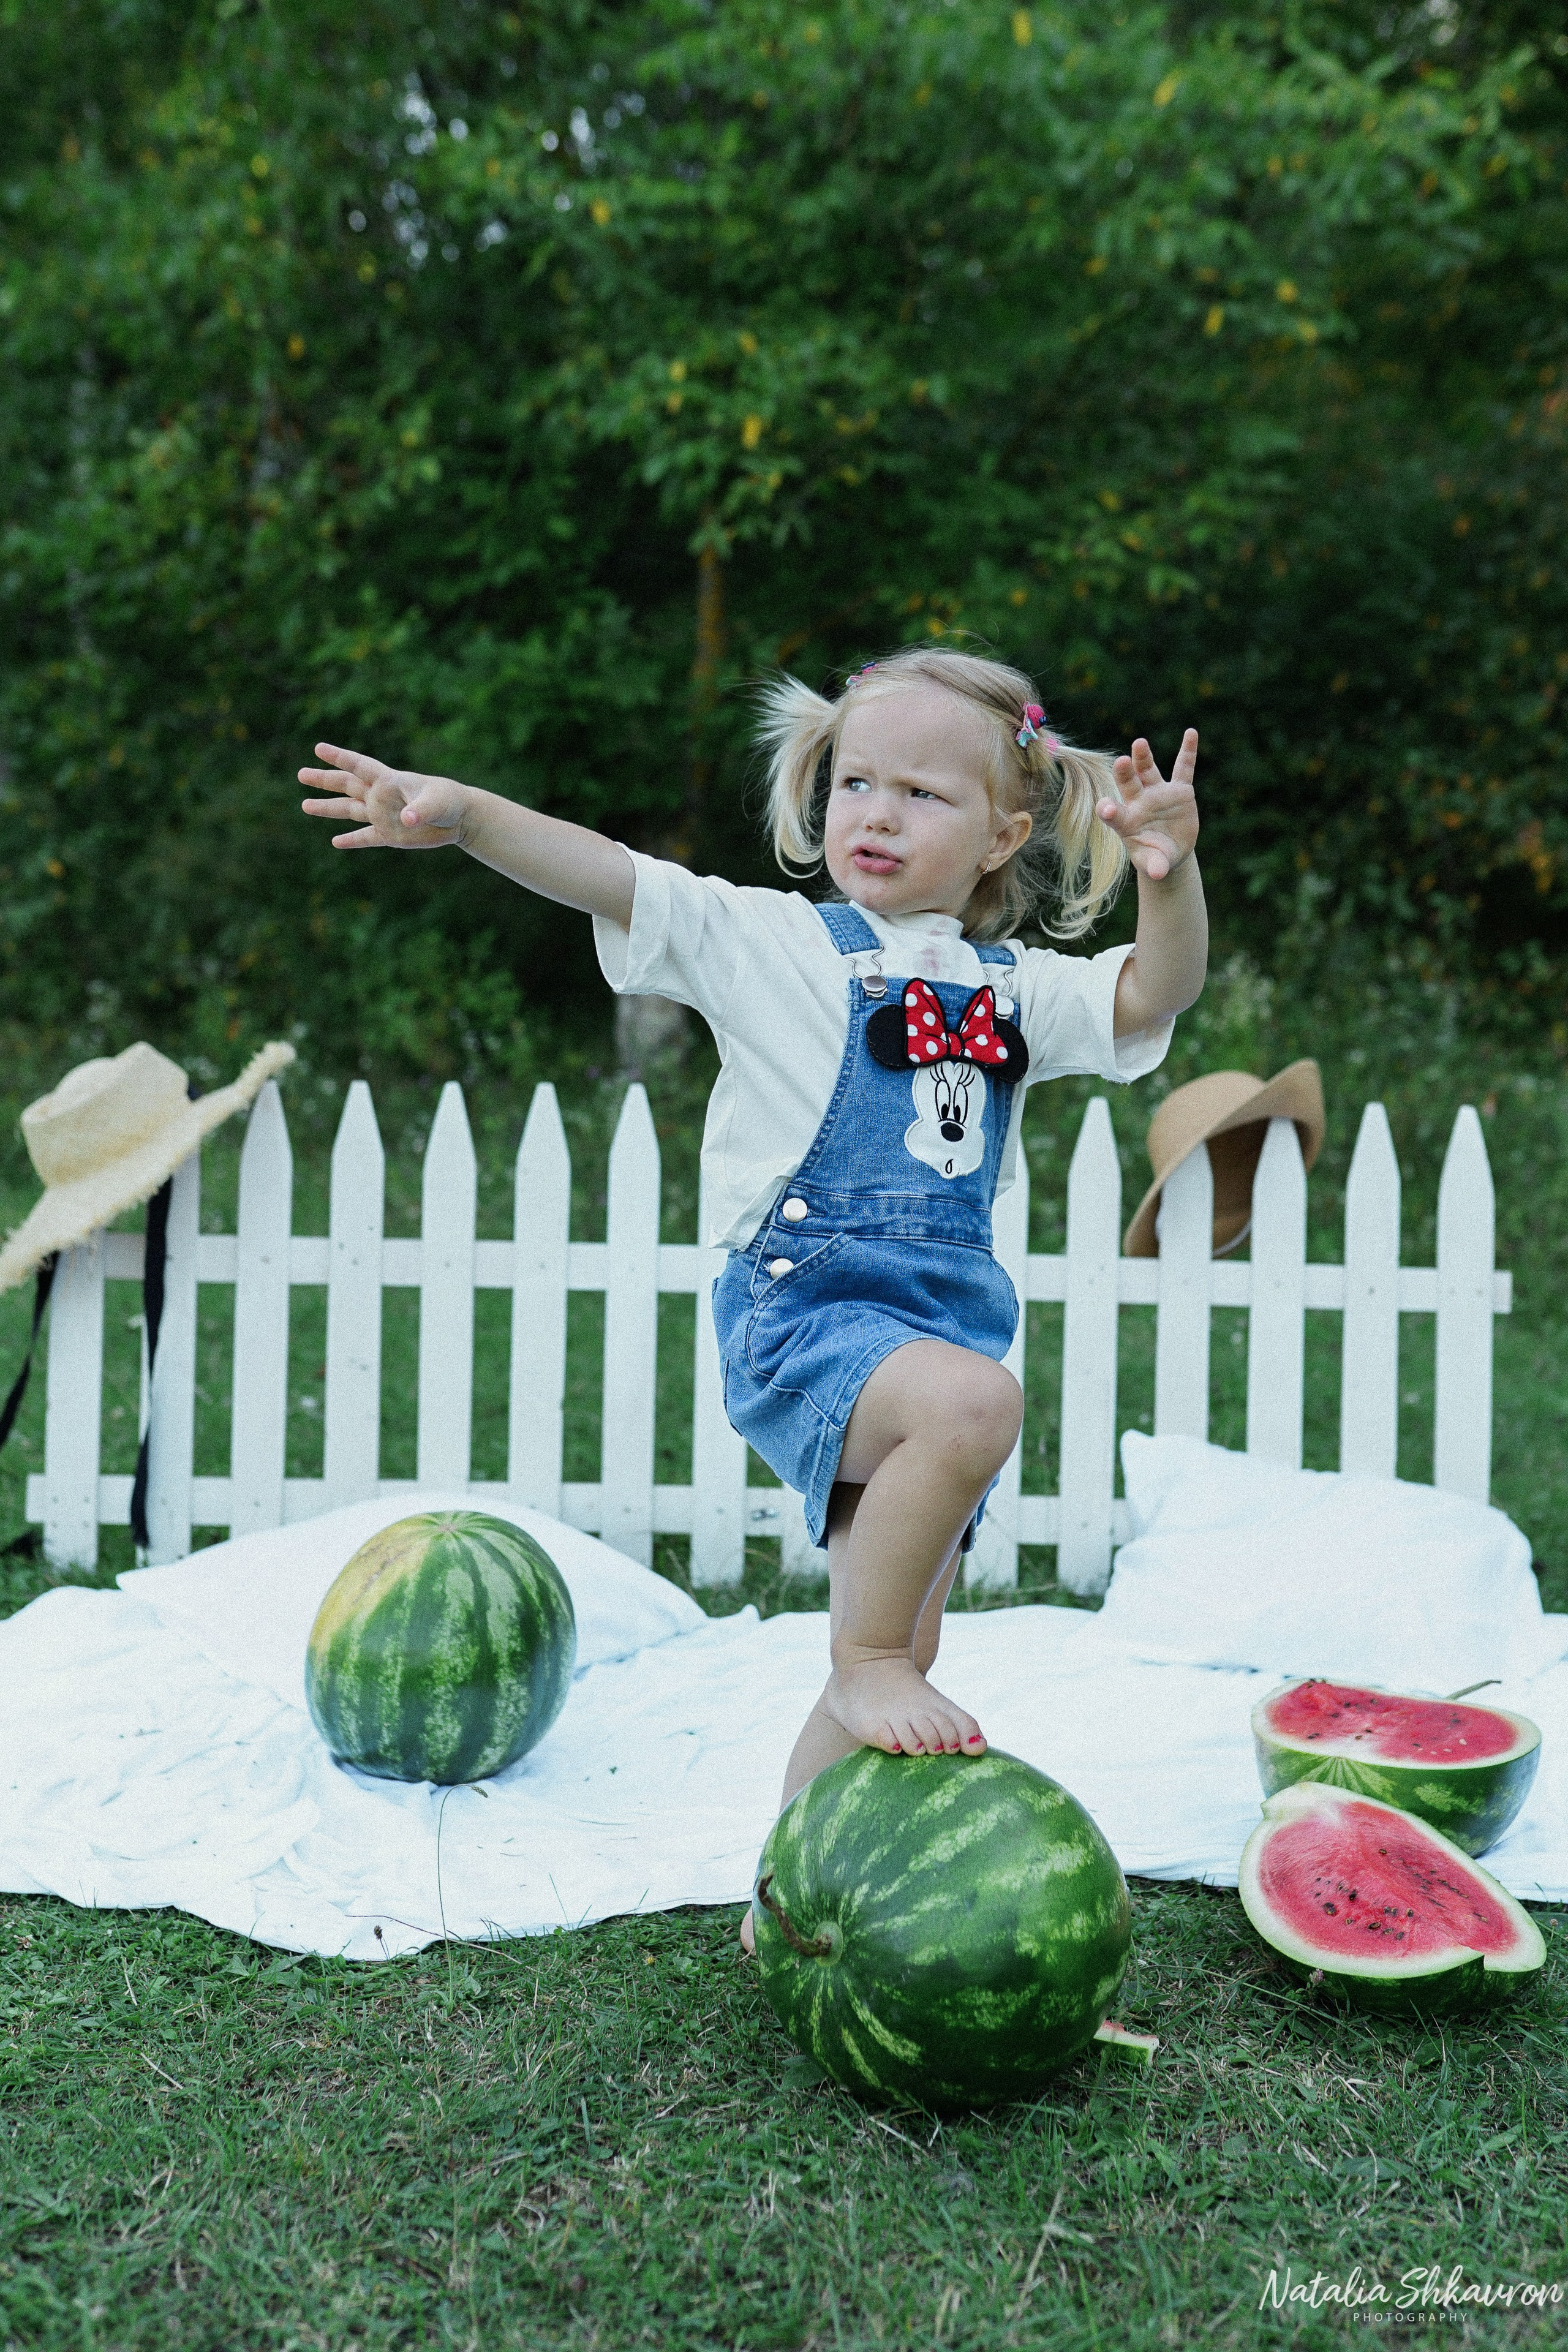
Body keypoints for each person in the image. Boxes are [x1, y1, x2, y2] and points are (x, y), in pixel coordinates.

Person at [300, 645, 1205, 1853]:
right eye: (854, 783)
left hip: (933, 1327)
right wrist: (463, 816)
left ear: (1001, 834)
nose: (875, 812)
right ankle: (866, 1658)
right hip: (806, 1311)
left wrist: (1170, 873)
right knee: (964, 1439)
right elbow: (607, 876)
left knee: (911, 1630)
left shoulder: (1015, 991)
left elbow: (1152, 995)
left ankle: (792, 1883)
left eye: (921, 794)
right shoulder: (764, 937)